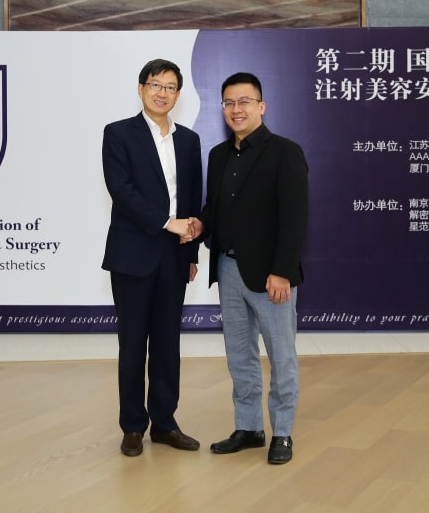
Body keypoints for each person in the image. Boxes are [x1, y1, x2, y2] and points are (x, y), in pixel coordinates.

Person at [190, 72, 309, 465]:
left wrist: (283, 271)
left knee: (281, 356)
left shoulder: (285, 152)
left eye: (244, 101)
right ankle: (249, 428)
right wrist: (199, 225)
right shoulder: (218, 155)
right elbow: (215, 208)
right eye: (229, 103)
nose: (236, 109)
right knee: (239, 355)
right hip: (228, 267)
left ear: (261, 106)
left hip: (271, 275)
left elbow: (295, 218)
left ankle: (283, 433)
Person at [101, 58, 203, 457]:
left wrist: (191, 250)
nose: (162, 93)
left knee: (166, 343)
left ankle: (164, 424)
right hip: (133, 254)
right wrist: (167, 223)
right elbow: (121, 191)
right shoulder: (118, 133)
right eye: (155, 85)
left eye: (170, 87)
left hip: (175, 256)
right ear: (141, 88)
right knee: (132, 344)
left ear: (178, 94)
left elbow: (192, 197)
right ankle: (132, 426)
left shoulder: (189, 140)